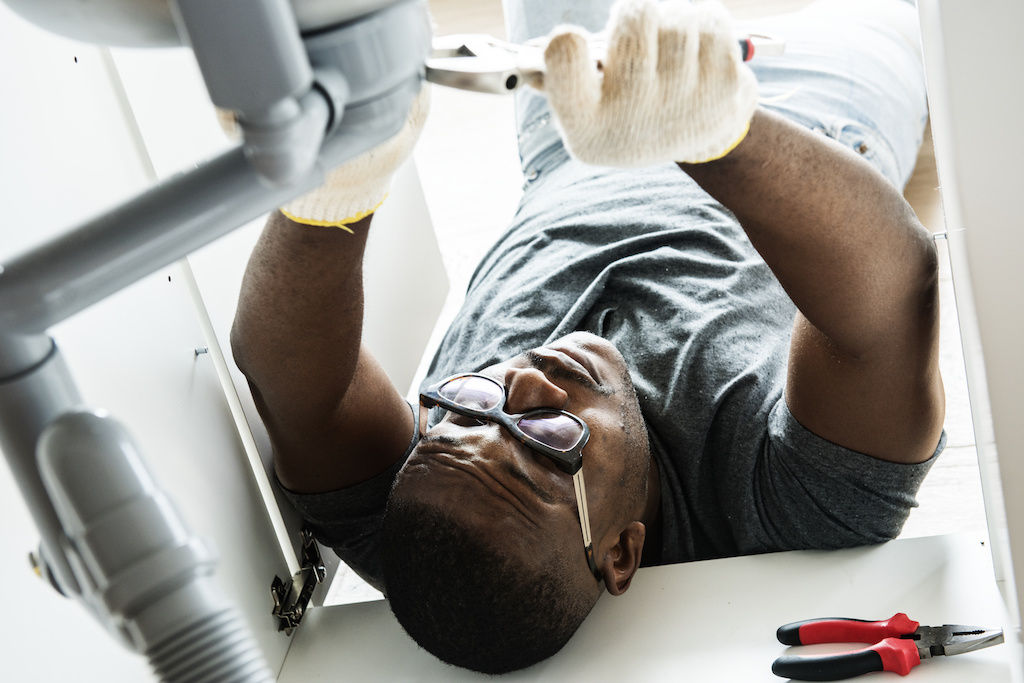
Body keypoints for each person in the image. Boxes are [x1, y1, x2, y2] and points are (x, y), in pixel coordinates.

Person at [230, 0, 943, 674]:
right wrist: (710, 133)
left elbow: (293, 383)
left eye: (471, 407)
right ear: (621, 551)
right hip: (803, 128)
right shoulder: (785, 513)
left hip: (570, 128)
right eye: (546, 436)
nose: (524, 380)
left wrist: (340, 182)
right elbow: (894, 295)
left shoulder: (432, 512)